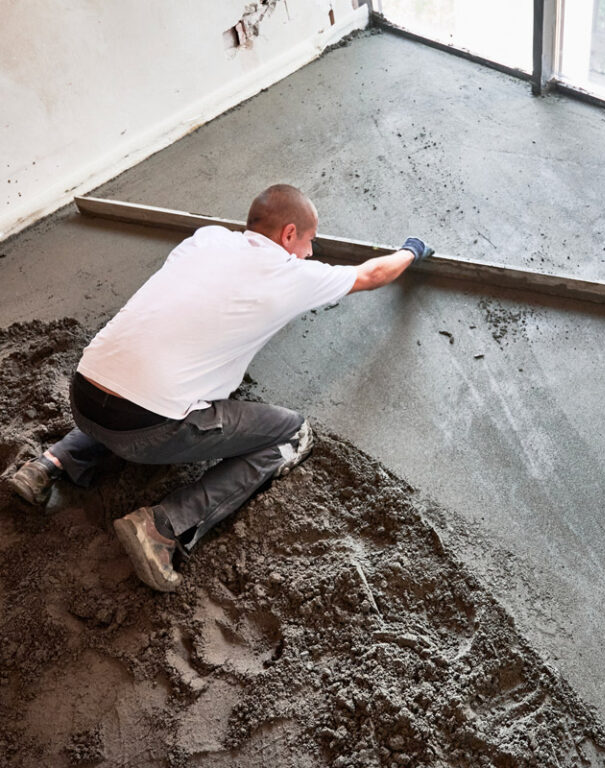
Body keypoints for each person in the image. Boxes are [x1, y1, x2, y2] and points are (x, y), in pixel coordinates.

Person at [10, 184, 433, 592]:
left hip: (82, 394)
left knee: (140, 382)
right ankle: (165, 526)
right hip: (146, 432)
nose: (309, 252)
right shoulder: (295, 274)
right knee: (292, 432)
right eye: (309, 241)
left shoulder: (206, 239)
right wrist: (411, 250)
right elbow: (374, 274)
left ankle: (49, 464)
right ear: (289, 234)